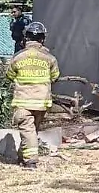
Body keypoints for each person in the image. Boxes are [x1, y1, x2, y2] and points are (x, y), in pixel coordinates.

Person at [6, 21, 59, 169]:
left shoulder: (18, 57)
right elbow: (55, 76)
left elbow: (9, 75)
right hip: (42, 103)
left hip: (23, 101)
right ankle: (23, 156)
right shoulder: (49, 58)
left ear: (26, 38)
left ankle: (31, 162)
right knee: (31, 131)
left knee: (28, 131)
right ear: (43, 39)